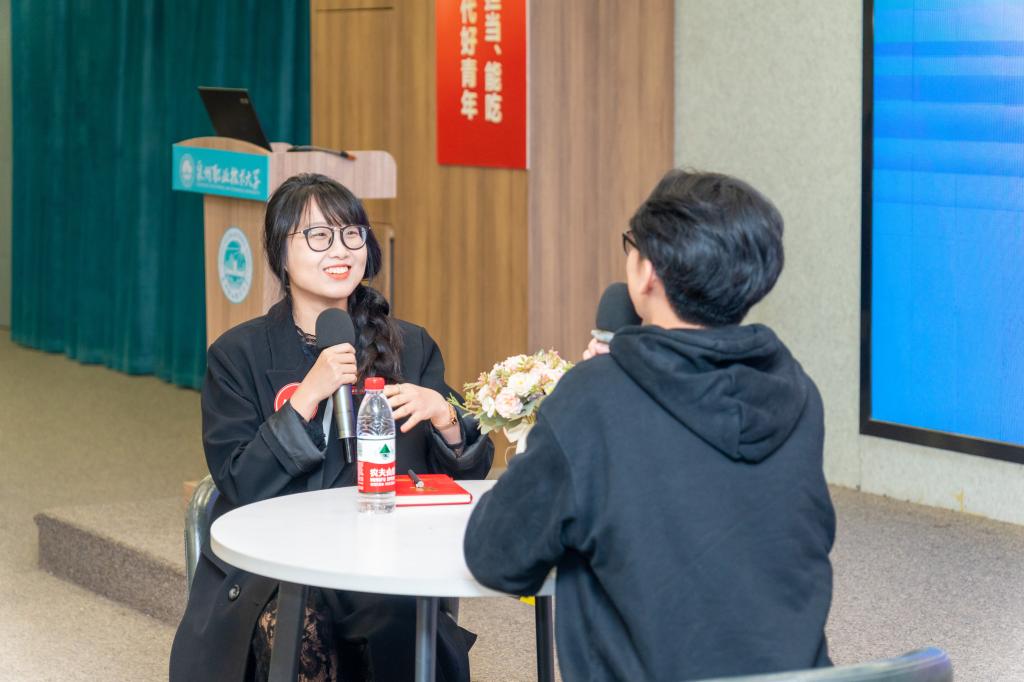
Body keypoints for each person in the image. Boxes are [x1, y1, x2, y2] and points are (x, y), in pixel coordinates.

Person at [463, 169, 835, 681]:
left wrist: (583, 402)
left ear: (647, 273)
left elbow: (496, 557)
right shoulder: (795, 388)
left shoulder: (595, 398)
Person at [170, 173, 493, 682]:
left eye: (351, 234)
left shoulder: (411, 344)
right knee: (297, 624)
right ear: (280, 253)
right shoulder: (238, 354)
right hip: (275, 566)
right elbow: (238, 483)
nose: (339, 250)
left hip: (382, 566)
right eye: (318, 236)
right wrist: (306, 397)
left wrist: (444, 416)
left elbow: (463, 477)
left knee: (394, 626)